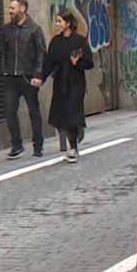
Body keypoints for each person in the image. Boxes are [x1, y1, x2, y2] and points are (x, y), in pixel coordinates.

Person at [37, 12, 93, 164]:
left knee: (72, 111)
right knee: (62, 114)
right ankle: (75, 132)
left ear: (68, 23)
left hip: (76, 82)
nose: (57, 24)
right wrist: (41, 78)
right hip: (60, 81)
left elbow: (89, 63)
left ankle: (73, 147)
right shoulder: (55, 42)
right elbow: (49, 63)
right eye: (56, 21)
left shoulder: (79, 41)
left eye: (59, 21)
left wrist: (77, 63)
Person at [0, 0, 47, 159]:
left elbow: (41, 53)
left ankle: (38, 145)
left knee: (34, 111)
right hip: (11, 77)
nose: (10, 11)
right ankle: (17, 145)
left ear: (23, 9)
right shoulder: (6, 29)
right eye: (10, 8)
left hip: (28, 76)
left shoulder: (34, 29)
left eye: (13, 8)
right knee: (9, 110)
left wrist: (38, 75)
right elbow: (2, 51)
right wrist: (4, 70)